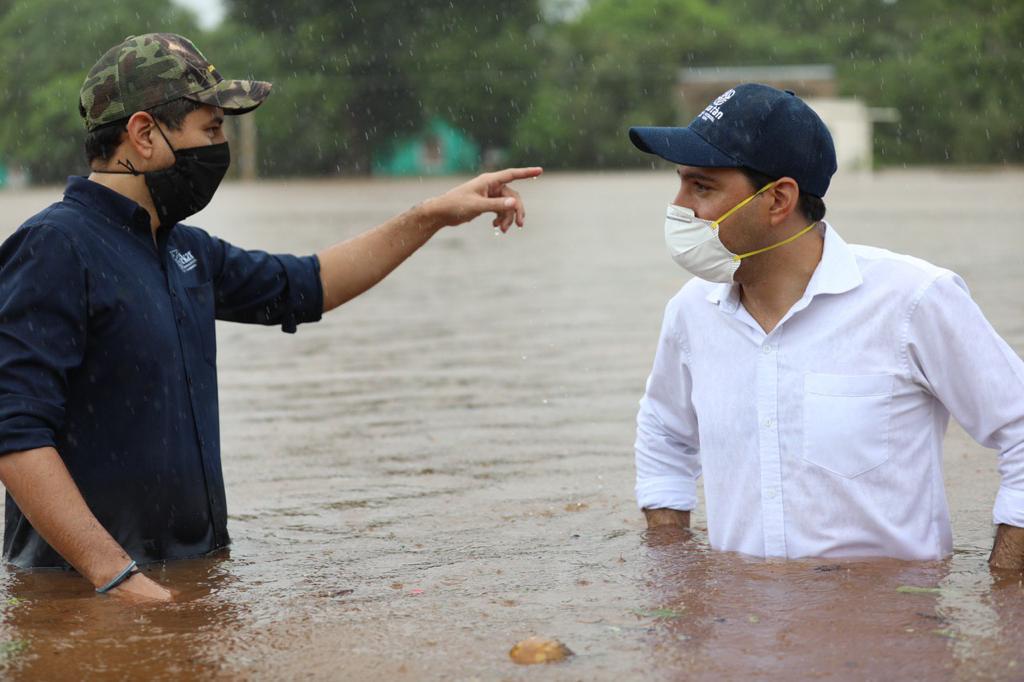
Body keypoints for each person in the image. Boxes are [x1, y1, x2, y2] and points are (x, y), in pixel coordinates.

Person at [0, 33, 542, 601]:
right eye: (209, 129)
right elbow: (15, 433)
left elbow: (309, 284)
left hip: (185, 579)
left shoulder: (184, 250)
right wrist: (115, 577)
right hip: (80, 593)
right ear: (142, 134)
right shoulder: (54, 247)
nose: (221, 146)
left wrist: (430, 215)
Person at [629, 83, 1024, 568]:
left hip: (894, 631)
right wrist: (676, 572)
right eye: (681, 182)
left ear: (778, 200)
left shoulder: (911, 300)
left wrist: (1004, 584)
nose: (679, 206)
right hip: (743, 634)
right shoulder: (692, 311)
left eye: (702, 187)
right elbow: (665, 435)